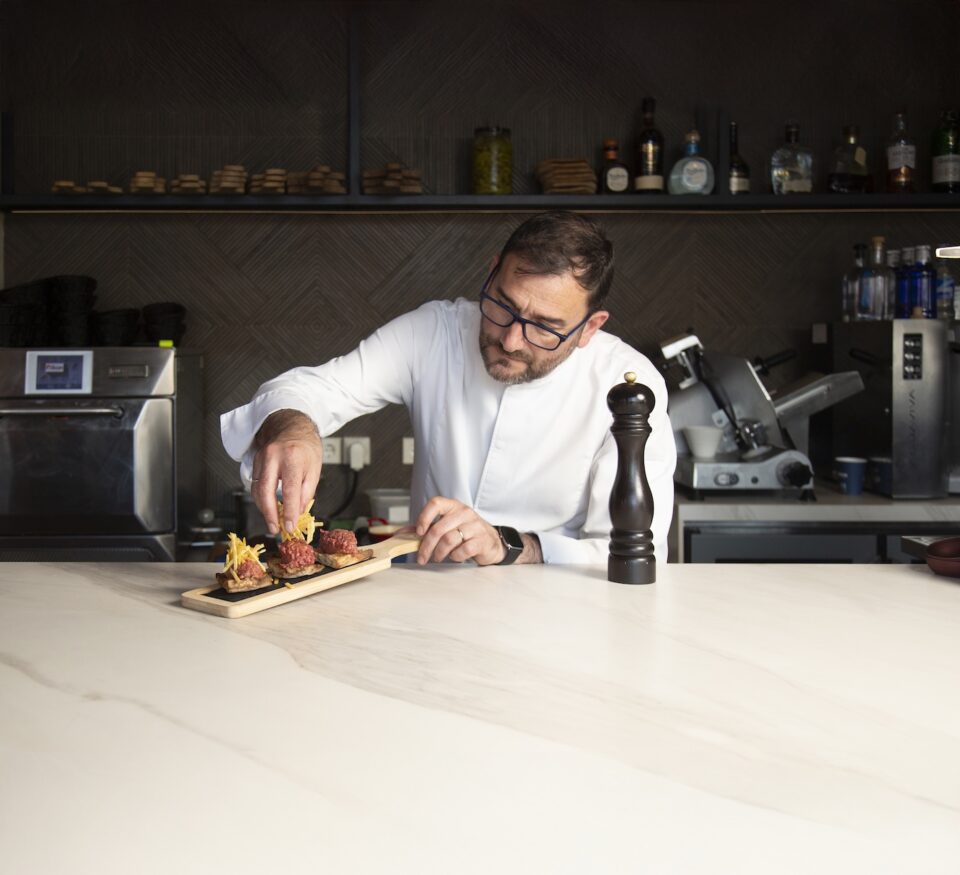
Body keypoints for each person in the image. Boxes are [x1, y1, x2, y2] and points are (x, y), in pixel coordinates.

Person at [221, 210, 676, 566]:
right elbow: (314, 388)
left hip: (559, 616)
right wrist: (294, 427)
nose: (510, 340)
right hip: (429, 602)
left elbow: (633, 550)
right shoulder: (433, 333)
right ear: (492, 272)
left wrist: (510, 545)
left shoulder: (629, 385)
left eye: (544, 328)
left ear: (590, 327)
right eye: (502, 306)